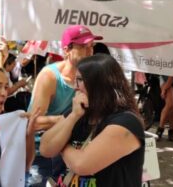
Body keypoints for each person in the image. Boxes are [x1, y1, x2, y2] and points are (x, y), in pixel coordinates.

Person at [40, 54, 145, 187]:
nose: (75, 86)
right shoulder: (78, 112)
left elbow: (81, 165)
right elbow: (45, 147)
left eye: (79, 80)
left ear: (98, 84)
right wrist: (73, 117)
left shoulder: (126, 122)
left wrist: (60, 145)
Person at [26, 25, 101, 186]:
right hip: (42, 153)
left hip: (73, 150)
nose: (89, 52)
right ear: (66, 50)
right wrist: (68, 119)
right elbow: (33, 121)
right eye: (83, 47)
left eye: (91, 47)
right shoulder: (50, 76)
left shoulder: (93, 77)